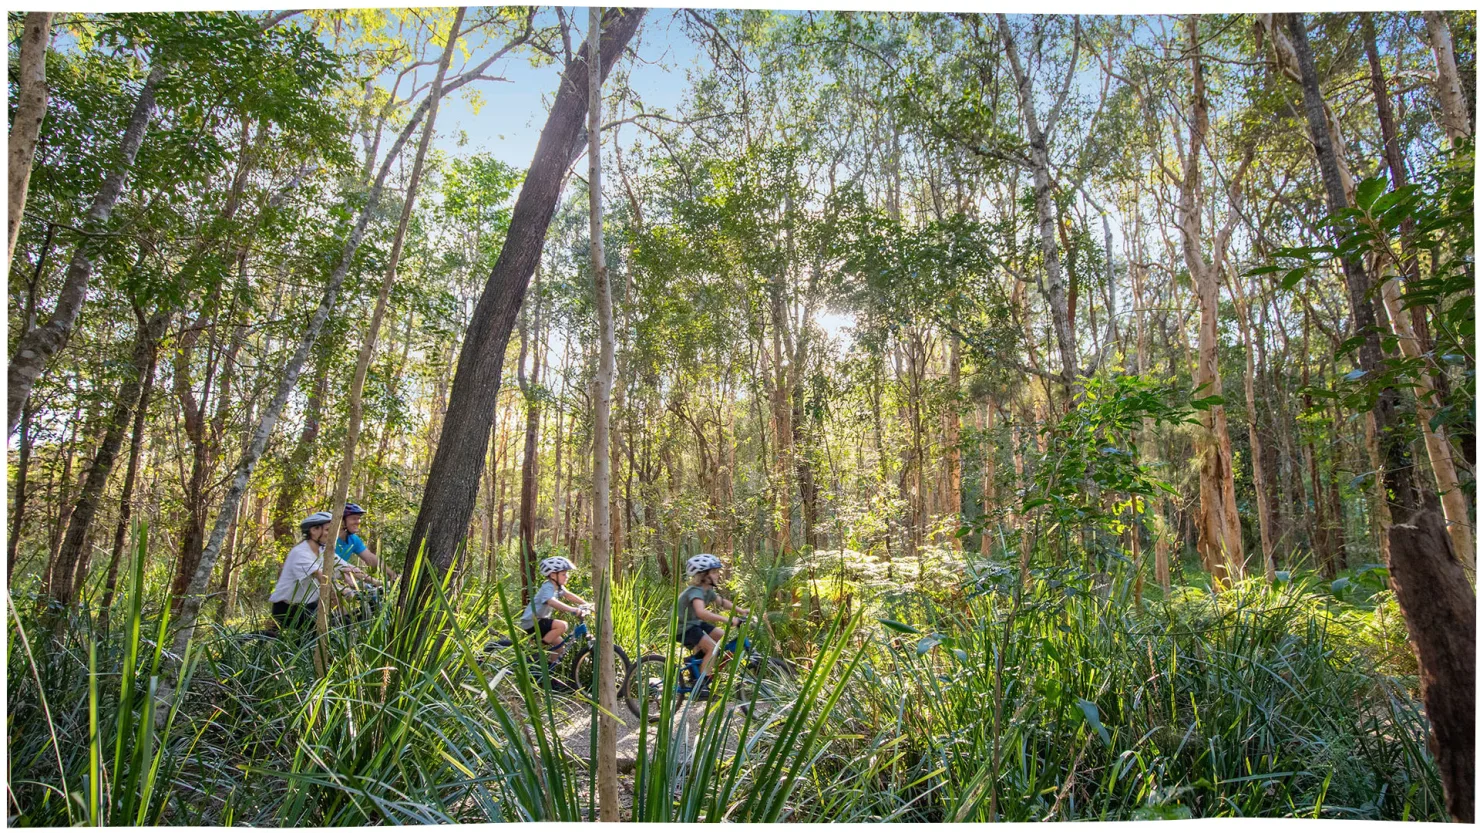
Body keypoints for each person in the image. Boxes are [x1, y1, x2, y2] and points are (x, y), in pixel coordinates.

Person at [678, 554, 749, 692]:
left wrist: (741, 611)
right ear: (704, 575)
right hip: (684, 628)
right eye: (714, 572)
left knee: (724, 637)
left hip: (695, 624)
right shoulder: (696, 591)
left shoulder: (707, 590)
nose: (717, 575)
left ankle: (695, 663)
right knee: (712, 648)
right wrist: (727, 620)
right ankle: (701, 685)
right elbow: (701, 612)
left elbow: (722, 602)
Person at [268, 511, 340, 636]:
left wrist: (376, 582)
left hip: (308, 606)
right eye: (328, 530)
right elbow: (320, 576)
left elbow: (347, 568)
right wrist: (342, 592)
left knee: (335, 622)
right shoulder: (301, 553)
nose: (331, 534)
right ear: (314, 530)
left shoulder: (323, 550)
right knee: (324, 631)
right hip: (288, 609)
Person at [518, 556, 592, 665]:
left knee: (560, 647)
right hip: (532, 621)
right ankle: (537, 651)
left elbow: (569, 596)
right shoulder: (548, 586)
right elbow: (550, 601)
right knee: (562, 626)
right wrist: (572, 609)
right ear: (553, 575)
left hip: (539, 621)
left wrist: (587, 604)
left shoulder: (558, 587)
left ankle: (548, 674)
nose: (567, 576)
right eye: (563, 574)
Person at [335, 503, 398, 582]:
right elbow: (341, 567)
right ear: (342, 521)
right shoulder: (329, 539)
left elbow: (371, 559)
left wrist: (393, 575)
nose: (358, 522)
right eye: (354, 518)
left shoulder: (353, 539)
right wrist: (376, 582)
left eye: (358, 518)